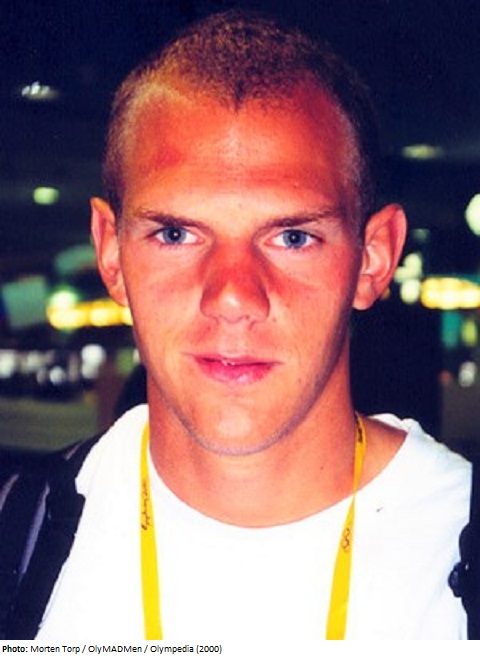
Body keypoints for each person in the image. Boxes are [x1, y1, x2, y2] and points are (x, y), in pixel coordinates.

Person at [3, 10, 471, 641]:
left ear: (374, 258)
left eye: (293, 236)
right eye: (175, 234)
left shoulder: (455, 535)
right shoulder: (18, 539)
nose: (231, 297)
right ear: (111, 253)